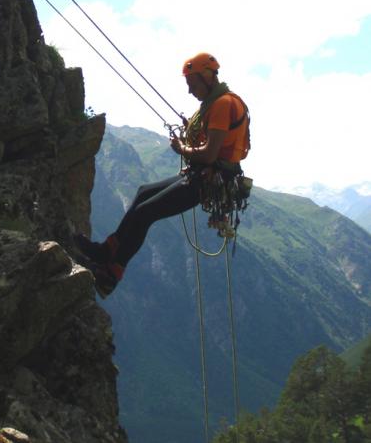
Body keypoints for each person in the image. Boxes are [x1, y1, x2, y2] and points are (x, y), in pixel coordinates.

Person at [75, 52, 251, 298]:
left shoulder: (222, 105)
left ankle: (111, 274)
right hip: (204, 175)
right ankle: (107, 250)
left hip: (208, 179)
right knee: (143, 193)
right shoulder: (218, 102)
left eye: (192, 84)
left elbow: (210, 155)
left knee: (145, 212)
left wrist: (182, 149)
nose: (190, 91)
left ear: (207, 78)